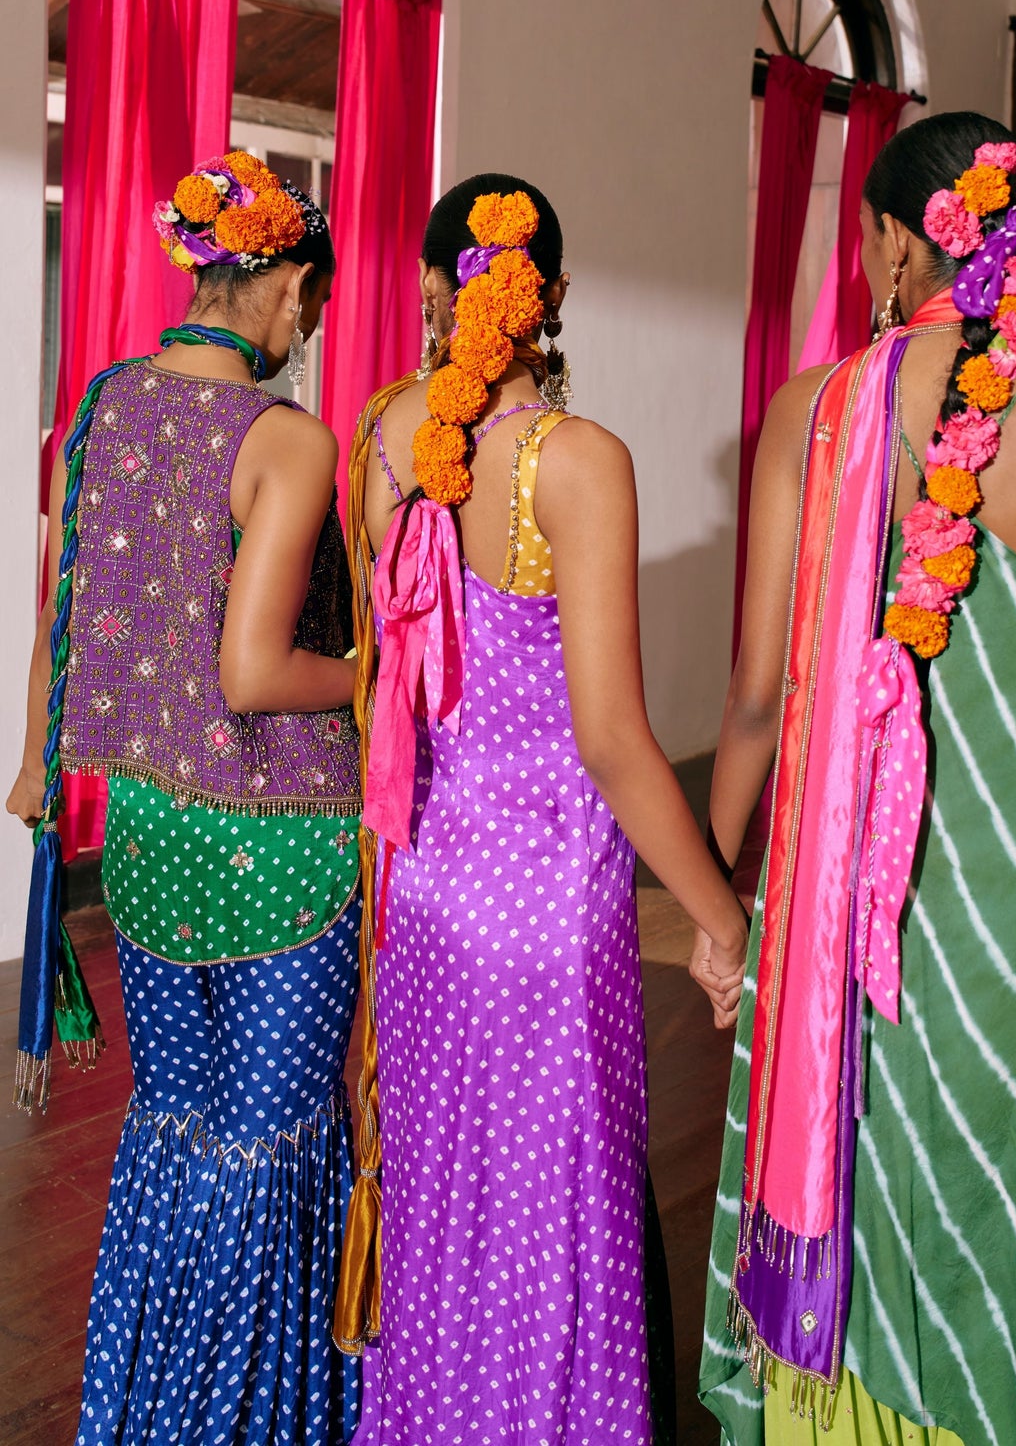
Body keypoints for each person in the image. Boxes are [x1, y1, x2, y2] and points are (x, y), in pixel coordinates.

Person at [698, 114, 1016, 1446]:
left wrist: (708, 903)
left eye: (865, 239)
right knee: (998, 1229)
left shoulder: (813, 412)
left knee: (844, 1200)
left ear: (899, 240)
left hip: (827, 939)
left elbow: (755, 695)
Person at [338, 173, 748, 1445]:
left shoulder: (388, 437)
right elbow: (618, 742)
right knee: (552, 1215)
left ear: (430, 291)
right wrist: (720, 922)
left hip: (418, 888)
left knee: (443, 1206)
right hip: (540, 913)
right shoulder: (575, 463)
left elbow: (384, 686)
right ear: (552, 299)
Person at [8, 151, 364, 1445]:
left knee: (172, 1130)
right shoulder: (284, 439)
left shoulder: (102, 409)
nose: (311, 324)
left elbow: (60, 615)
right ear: (282, 283)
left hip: (149, 836)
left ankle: (145, 1410)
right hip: (284, 852)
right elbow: (257, 670)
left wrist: (39, 763)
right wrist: (378, 670)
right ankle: (252, 1422)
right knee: (271, 1154)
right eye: (310, 300)